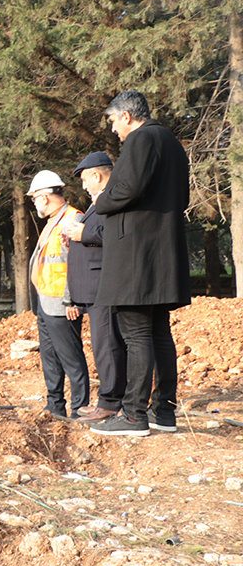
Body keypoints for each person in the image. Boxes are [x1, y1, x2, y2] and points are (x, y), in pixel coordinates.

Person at [91, 91, 191, 437]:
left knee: (136, 334)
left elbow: (127, 188)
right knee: (159, 332)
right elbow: (182, 197)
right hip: (163, 255)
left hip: (136, 256)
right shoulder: (172, 143)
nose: (115, 130)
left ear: (128, 116)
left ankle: (133, 415)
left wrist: (101, 201)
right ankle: (164, 411)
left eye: (115, 121)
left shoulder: (141, 139)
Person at [62, 152, 127, 422]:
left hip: (104, 284)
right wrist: (77, 239)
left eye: (85, 180)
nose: (84, 186)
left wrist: (83, 233)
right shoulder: (99, 201)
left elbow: (119, 235)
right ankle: (110, 399)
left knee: (108, 345)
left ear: (97, 175)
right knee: (103, 344)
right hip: (94, 286)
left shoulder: (113, 198)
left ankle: (111, 401)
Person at [26, 169, 89, 419]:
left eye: (34, 199)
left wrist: (71, 299)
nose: (34, 204)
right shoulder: (52, 221)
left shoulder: (74, 219)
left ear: (43, 197)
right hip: (45, 301)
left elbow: (77, 264)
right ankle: (55, 406)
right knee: (50, 357)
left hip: (62, 304)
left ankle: (79, 409)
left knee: (71, 358)